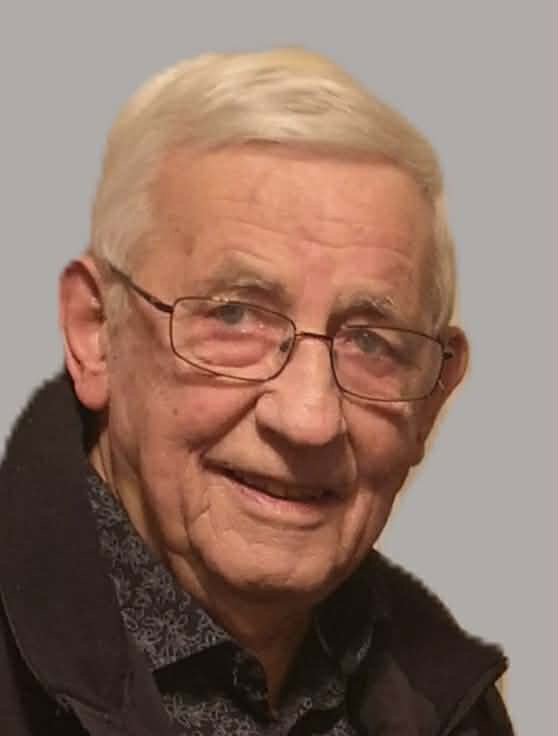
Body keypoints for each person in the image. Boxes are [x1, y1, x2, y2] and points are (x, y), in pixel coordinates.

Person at [0, 48, 514, 735]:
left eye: (370, 342)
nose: (308, 418)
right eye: (235, 315)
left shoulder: (448, 699)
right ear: (95, 332)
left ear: (434, 396)